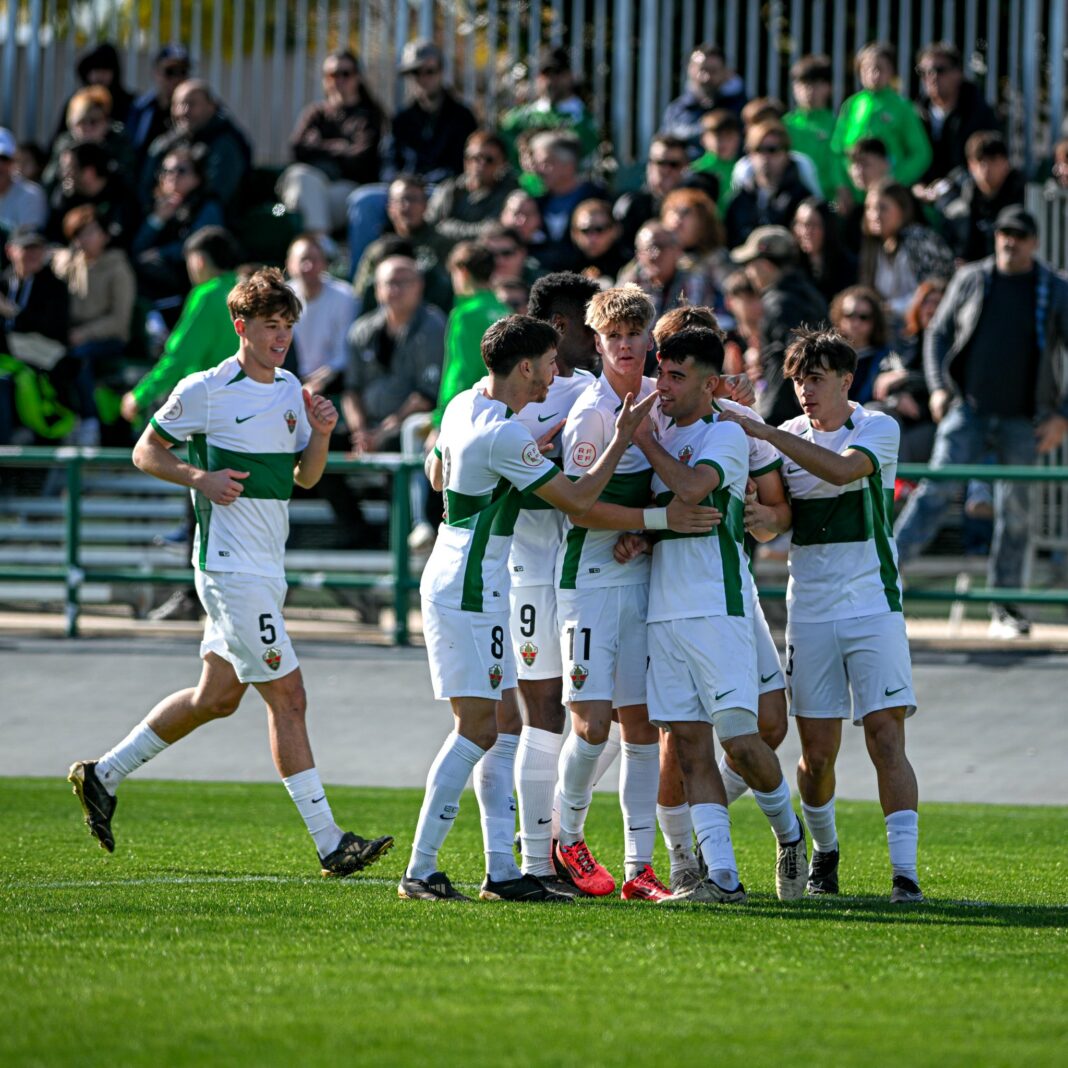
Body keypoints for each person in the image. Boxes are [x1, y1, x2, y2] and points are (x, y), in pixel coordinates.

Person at [68, 267, 394, 876]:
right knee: (289, 697)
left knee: (215, 698)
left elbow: (306, 479)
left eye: (289, 327)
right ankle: (331, 843)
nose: (282, 338)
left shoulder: (292, 388)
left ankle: (102, 774)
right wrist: (201, 479)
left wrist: (321, 434)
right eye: (271, 327)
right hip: (228, 570)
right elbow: (145, 450)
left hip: (265, 570)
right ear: (241, 327)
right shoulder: (206, 389)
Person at [402, 314, 660, 902]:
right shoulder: (505, 435)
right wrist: (622, 438)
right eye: (548, 364)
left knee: (501, 728)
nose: (555, 375)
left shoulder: (467, 404)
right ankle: (421, 870)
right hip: (472, 584)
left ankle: (501, 870)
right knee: (476, 730)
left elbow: (442, 474)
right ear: (525, 367)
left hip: (467, 574)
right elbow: (576, 499)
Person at [719, 327, 923, 904]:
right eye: (799, 380)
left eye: (816, 379)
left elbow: (839, 472)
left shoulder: (876, 428)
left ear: (845, 380)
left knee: (886, 738)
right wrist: (758, 515)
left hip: (874, 606)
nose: (806, 391)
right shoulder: (786, 436)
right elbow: (778, 520)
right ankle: (825, 852)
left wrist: (760, 431)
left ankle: (904, 874)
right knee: (817, 754)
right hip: (809, 612)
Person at [615, 326, 806, 902]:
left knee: (742, 742)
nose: (662, 386)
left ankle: (790, 835)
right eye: (661, 373)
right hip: (663, 612)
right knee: (691, 745)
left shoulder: (724, 433)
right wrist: (641, 537)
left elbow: (695, 489)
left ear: (711, 383)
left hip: (717, 608)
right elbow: (666, 507)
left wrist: (642, 441)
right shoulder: (665, 428)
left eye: (676, 376)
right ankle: (721, 879)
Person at [551, 285, 679, 900]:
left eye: (635, 334)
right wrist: (647, 527)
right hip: (590, 585)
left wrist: (648, 539)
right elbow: (579, 510)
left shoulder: (664, 400)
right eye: (613, 337)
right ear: (597, 343)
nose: (625, 346)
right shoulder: (592, 414)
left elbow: (674, 492)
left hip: (641, 581)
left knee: (643, 728)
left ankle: (638, 868)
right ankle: (564, 838)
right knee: (592, 726)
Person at [893, 207, 1068, 638]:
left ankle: (1005, 607)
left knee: (1018, 512)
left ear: (1034, 242)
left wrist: (1062, 416)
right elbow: (937, 333)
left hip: (1023, 419)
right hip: (967, 410)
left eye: (1019, 236)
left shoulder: (1054, 288)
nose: (1009, 242)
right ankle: (884, 580)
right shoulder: (973, 277)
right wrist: (936, 387)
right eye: (1004, 234)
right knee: (934, 492)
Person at [503, 272, 600, 894]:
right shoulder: (506, 391)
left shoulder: (592, 388)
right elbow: (439, 466)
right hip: (528, 570)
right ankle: (537, 855)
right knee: (542, 712)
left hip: (589, 570)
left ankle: (558, 829)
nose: (598, 340)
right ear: (561, 330)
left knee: (603, 713)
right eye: (589, 327)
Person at [277, 52, 384, 245]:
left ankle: (316, 246)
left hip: (345, 189)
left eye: (345, 73)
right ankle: (323, 245)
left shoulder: (369, 116)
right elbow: (297, 149)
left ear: (357, 77)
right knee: (300, 177)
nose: (339, 80)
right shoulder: (315, 114)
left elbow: (361, 157)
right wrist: (342, 147)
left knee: (310, 196)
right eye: (332, 74)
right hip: (309, 186)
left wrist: (318, 147)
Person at [342, 255, 444, 453]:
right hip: (366, 429)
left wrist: (382, 433)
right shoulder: (361, 329)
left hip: (409, 427)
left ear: (419, 286)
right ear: (377, 289)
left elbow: (425, 396)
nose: (396, 290)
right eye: (389, 283)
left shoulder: (433, 326)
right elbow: (351, 391)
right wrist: (361, 432)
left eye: (404, 282)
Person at [52, 204, 136, 443]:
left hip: (109, 339)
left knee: (79, 357)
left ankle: (89, 421)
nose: (83, 239)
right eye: (79, 234)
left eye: (90, 232)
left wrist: (85, 333)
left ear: (105, 236)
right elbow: (54, 260)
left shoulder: (118, 268)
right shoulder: (71, 262)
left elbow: (120, 321)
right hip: (74, 336)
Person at [730, 224, 828, 425]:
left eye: (750, 264)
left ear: (765, 265)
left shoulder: (778, 304)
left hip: (788, 416)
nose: (748, 272)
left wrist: (770, 419)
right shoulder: (809, 293)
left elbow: (787, 362)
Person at [130, 142, 224, 308]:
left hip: (187, 275)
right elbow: (138, 247)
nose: (172, 176)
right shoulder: (156, 205)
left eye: (181, 171)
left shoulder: (206, 207)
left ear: (197, 178)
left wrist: (161, 253)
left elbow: (199, 246)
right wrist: (157, 219)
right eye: (166, 171)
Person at [831, 42, 932, 196]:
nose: (873, 74)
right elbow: (838, 149)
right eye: (867, 69)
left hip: (889, 194)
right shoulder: (851, 104)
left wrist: (895, 179)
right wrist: (842, 185)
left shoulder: (903, 107)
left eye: (879, 68)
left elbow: (921, 153)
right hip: (855, 194)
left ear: (891, 71)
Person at [430, 242, 510, 428]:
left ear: (462, 271)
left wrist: (441, 419)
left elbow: (460, 371)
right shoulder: (505, 310)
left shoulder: (465, 315)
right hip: (502, 411)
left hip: (471, 413)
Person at [144, 79, 252, 215]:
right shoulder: (165, 143)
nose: (183, 111)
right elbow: (145, 187)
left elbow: (218, 194)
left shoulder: (225, 143)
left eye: (191, 104)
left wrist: (181, 206)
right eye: (178, 104)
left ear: (211, 106)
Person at [351, 175, 452, 312]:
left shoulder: (443, 244)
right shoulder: (378, 249)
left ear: (425, 205)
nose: (407, 206)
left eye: (414, 199)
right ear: (390, 208)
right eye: (401, 200)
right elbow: (361, 293)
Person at [859, 178, 954, 323]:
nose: (875, 215)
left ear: (902, 210)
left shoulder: (921, 239)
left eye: (882, 208)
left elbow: (936, 292)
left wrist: (892, 307)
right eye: (869, 208)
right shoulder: (874, 247)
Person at [390, 39, 478, 182]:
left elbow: (463, 165)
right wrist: (400, 182)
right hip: (404, 191)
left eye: (429, 71)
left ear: (441, 71)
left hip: (446, 190)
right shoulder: (401, 119)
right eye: (415, 72)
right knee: (365, 198)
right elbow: (389, 162)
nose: (422, 78)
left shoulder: (462, 117)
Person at [913, 41, 999, 186]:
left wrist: (948, 186)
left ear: (958, 73)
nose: (931, 77)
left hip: (964, 193)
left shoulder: (979, 113)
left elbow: (986, 160)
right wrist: (917, 187)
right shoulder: (914, 113)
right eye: (923, 72)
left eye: (939, 70)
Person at [500, 46, 600, 167]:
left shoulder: (583, 119)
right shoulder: (519, 117)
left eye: (557, 72)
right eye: (546, 73)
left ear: (570, 75)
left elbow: (579, 161)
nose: (551, 80)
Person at [618, 222, 717, 341]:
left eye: (661, 247)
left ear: (677, 250)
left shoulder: (692, 280)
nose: (655, 254)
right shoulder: (631, 283)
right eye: (648, 249)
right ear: (639, 255)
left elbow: (692, 327)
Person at [939, 131, 1026, 263]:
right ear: (970, 165)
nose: (986, 168)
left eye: (993, 160)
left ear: (1006, 163)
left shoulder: (1024, 198)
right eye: (980, 161)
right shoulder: (960, 205)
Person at [284, 233, 357, 387]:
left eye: (314, 260)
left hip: (334, 383)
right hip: (290, 381)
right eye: (303, 260)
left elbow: (343, 355)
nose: (308, 266)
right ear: (289, 264)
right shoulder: (282, 297)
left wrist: (317, 382)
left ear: (325, 264)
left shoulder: (345, 296)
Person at [725, 120, 812, 248]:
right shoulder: (739, 200)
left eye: (772, 150)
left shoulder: (802, 199)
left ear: (786, 154)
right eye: (758, 149)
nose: (765, 156)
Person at [426, 130, 518, 248]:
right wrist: (478, 229)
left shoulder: (508, 194)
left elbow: (493, 230)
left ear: (502, 163)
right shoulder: (450, 188)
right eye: (474, 158)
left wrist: (447, 226)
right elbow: (432, 225)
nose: (480, 164)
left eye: (489, 160)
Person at [532, 132, 608, 273]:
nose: (539, 170)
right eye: (538, 164)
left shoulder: (599, 197)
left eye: (546, 163)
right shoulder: (536, 203)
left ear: (568, 166)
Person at [612, 134, 692, 254]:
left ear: (686, 166)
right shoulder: (631, 205)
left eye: (674, 164)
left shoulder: (693, 206)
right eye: (660, 163)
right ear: (649, 165)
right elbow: (622, 251)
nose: (666, 170)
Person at [661, 43, 747, 154]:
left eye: (713, 71)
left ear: (726, 73)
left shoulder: (742, 109)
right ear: (690, 70)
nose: (706, 78)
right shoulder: (676, 110)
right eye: (702, 70)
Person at [784, 55, 838, 200]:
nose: (808, 90)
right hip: (791, 200)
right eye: (803, 83)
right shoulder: (784, 125)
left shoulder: (838, 125)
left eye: (816, 84)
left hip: (827, 201)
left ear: (829, 87)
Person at [125, 45, 191, 162]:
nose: (177, 78)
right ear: (156, 72)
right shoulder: (141, 108)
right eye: (170, 71)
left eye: (183, 72)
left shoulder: (194, 109)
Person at [827, 285, 892, 405]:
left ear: (874, 321)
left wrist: (895, 378)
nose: (856, 323)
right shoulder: (827, 355)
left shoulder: (886, 355)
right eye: (849, 315)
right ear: (839, 317)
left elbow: (902, 370)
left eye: (864, 317)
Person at [792, 196, 857, 304]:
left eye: (812, 225)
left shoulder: (848, 267)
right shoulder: (792, 266)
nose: (805, 232)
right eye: (800, 224)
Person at [690, 110, 742, 216]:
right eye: (715, 136)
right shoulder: (695, 171)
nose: (721, 142)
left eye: (728, 136)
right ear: (703, 139)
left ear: (738, 138)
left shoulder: (745, 167)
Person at [0, 127, 47, 234]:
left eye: (4, 159)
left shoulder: (30, 194)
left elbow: (28, 244)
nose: (0, 165)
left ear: (14, 161)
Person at [570, 198, 628, 284]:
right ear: (574, 233)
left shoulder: (627, 267)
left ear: (615, 230)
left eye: (599, 229)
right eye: (585, 230)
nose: (593, 237)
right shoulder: (563, 266)